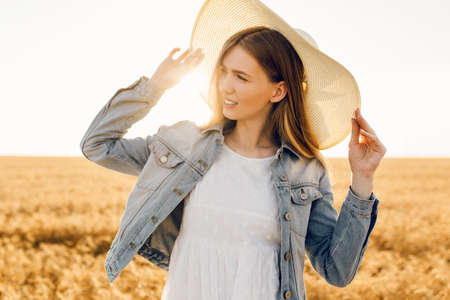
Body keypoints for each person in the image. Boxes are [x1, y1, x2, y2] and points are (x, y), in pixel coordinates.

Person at [80, 5, 386, 300]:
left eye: (241, 77)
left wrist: (362, 179)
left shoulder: (305, 172)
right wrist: (155, 86)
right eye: (224, 72)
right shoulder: (186, 145)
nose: (225, 85)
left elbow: (338, 270)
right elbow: (97, 144)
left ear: (278, 91)